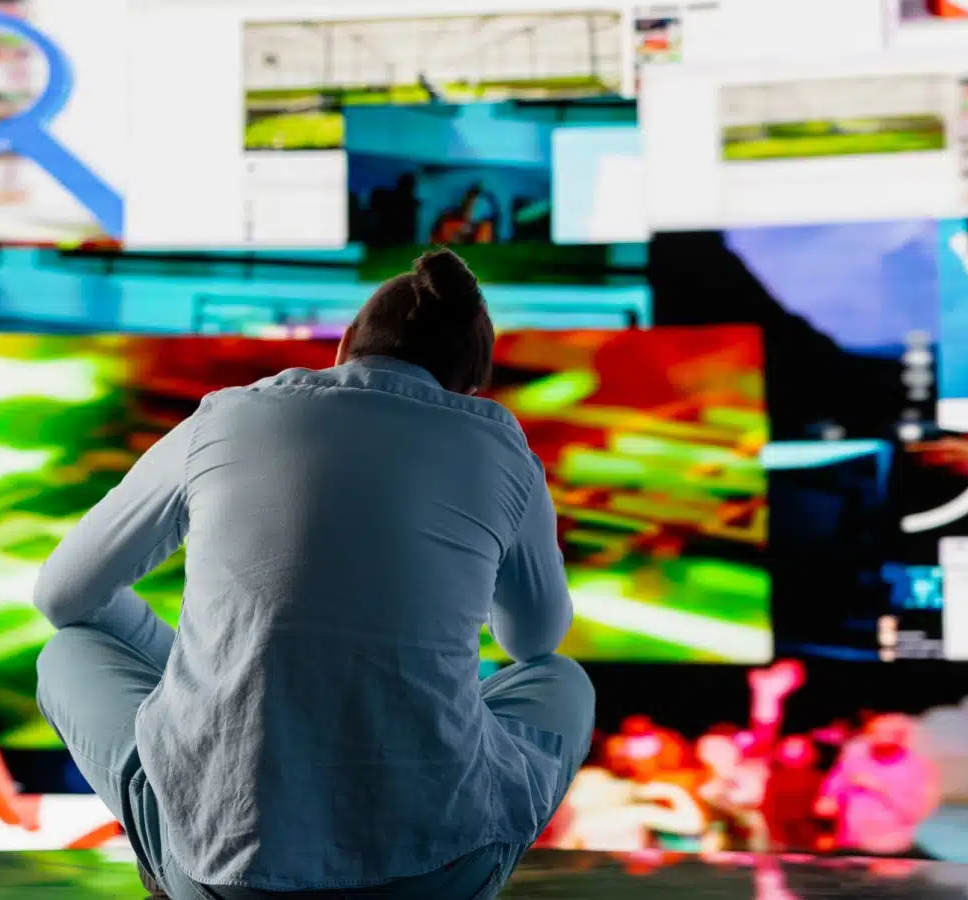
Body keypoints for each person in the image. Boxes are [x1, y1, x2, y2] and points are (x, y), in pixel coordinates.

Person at [33, 248, 594, 899]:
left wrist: (191, 661)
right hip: (439, 876)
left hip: (221, 875)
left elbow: (64, 594)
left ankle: (170, 867)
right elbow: (534, 644)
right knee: (563, 682)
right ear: (471, 383)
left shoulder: (227, 416)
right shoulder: (501, 448)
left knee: (69, 649)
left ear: (346, 347)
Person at [815, 713, 942, 859]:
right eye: (876, 732)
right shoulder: (853, 761)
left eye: (889, 733)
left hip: (891, 849)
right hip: (850, 846)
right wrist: (830, 803)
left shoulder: (918, 767)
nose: (881, 736)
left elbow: (918, 813)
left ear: (902, 736)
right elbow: (825, 803)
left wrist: (882, 788)